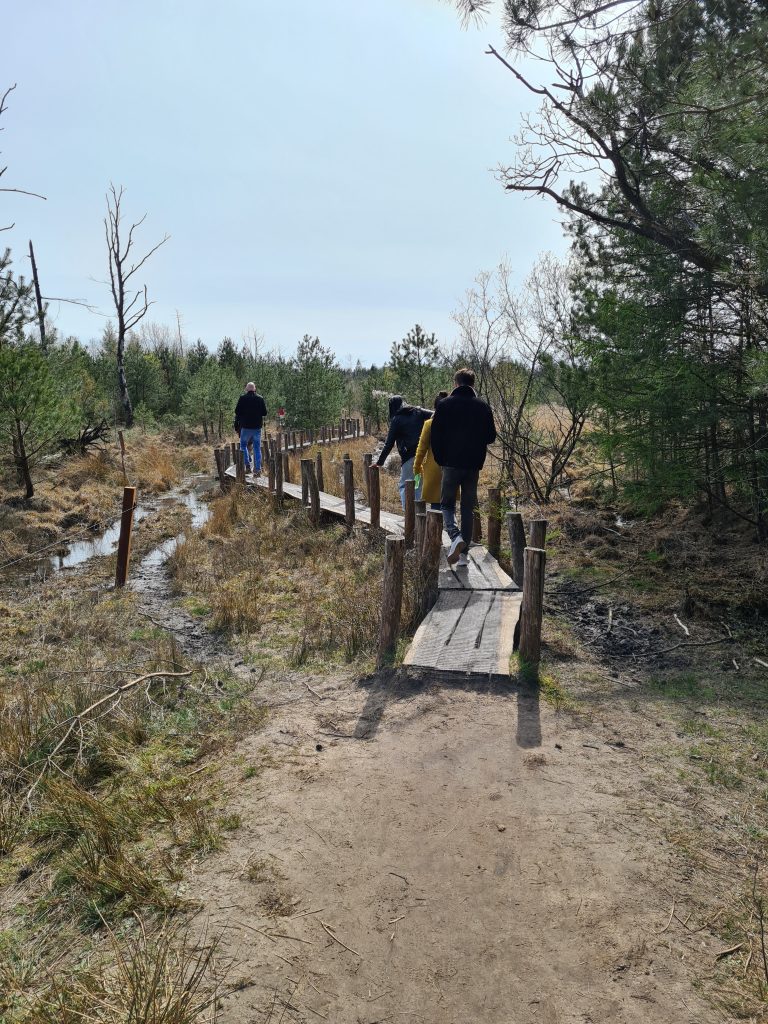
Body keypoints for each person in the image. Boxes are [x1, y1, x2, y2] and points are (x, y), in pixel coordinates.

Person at [430, 368, 496, 565]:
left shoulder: (444, 405)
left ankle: (454, 535)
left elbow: (435, 436)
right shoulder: (483, 406)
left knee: (446, 504)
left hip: (450, 464)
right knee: (468, 507)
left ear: (456, 384)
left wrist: (441, 459)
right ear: (472, 384)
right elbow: (491, 436)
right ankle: (464, 556)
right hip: (473, 466)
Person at [374, 395, 431, 508]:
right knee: (417, 484)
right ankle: (419, 513)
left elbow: (388, 444)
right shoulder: (418, 411)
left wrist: (379, 462)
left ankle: (409, 514)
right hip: (422, 456)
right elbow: (436, 414)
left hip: (409, 458)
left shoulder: (396, 419)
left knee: (404, 485)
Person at [413, 390, 449, 512]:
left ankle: (436, 531)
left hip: (433, 469)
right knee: (449, 506)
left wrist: (417, 467)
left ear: (434, 407)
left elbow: (421, 448)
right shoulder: (454, 423)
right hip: (452, 468)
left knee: (435, 507)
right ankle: (450, 530)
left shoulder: (429, 424)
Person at [234, 382, 268, 475]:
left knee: (243, 446)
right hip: (257, 428)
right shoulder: (260, 398)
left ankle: (247, 466)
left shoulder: (242, 398)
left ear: (246, 389)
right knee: (257, 448)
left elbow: (237, 411)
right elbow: (264, 413)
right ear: (255, 389)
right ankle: (257, 470)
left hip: (245, 427)